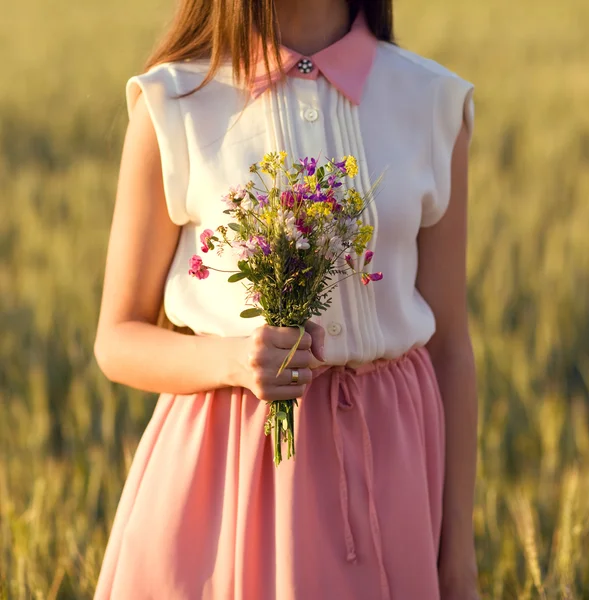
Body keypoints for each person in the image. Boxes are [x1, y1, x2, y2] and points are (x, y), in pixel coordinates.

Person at [93, 0, 479, 598]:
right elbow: (117, 339)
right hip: (224, 479)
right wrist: (232, 359)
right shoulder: (174, 102)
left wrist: (458, 560)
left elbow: (450, 346)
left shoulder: (431, 101)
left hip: (389, 476)